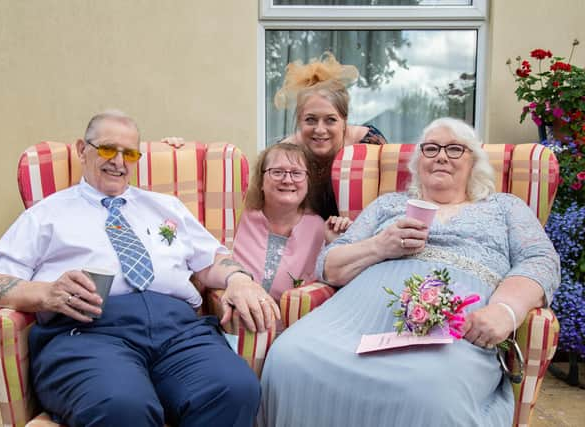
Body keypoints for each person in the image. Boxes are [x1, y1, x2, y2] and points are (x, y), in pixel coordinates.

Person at [0, 110, 280, 427]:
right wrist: (46, 293)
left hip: (179, 332)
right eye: (107, 149)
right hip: (88, 334)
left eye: (129, 153)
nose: (119, 162)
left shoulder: (165, 206)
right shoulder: (46, 215)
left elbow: (211, 259)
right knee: (121, 406)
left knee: (236, 389)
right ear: (82, 149)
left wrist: (239, 279)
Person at [257, 117, 561, 427]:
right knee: (289, 358)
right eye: (430, 149)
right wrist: (380, 246)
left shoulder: (503, 207)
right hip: (358, 315)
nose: (441, 156)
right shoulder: (389, 204)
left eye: (455, 149)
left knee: (431, 393)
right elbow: (328, 264)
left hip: (453, 328)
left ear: (475, 163)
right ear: (418, 163)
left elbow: (541, 259)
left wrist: (506, 309)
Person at [232, 143, 351, 307]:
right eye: (277, 172)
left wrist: (335, 244)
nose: (287, 180)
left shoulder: (320, 228)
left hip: (296, 325)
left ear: (308, 183)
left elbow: (332, 281)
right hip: (238, 320)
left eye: (297, 173)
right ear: (260, 181)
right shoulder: (237, 218)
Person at [275, 52, 387, 220]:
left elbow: (389, 200)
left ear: (344, 121)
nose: (320, 130)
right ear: (299, 121)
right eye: (311, 120)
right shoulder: (285, 153)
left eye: (330, 120)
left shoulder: (370, 145)